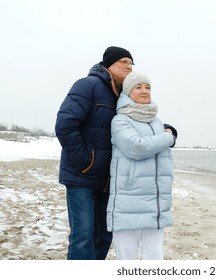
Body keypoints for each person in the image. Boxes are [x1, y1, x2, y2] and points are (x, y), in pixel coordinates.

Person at [55, 46, 135, 260]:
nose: (130, 66)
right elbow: (65, 124)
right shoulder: (87, 85)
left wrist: (165, 129)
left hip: (108, 180)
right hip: (82, 177)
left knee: (103, 237)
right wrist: (86, 162)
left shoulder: (123, 97)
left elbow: (136, 123)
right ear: (108, 63)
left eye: (131, 63)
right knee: (83, 237)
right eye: (124, 62)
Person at [106, 71, 177, 260]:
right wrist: (168, 137)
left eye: (148, 87)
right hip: (129, 201)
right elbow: (136, 147)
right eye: (138, 87)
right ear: (128, 92)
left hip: (155, 202)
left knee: (154, 258)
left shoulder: (156, 120)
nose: (144, 91)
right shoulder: (120, 120)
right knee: (126, 258)